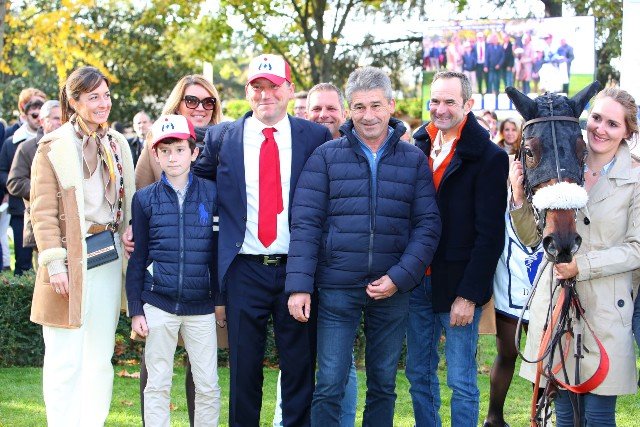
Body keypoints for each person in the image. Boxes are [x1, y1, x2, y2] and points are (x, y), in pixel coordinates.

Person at [287, 65, 441, 427]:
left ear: (391, 105)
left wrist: (400, 277)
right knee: (329, 384)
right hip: (336, 288)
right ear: (348, 110)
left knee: (383, 385)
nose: (368, 115)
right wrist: (299, 286)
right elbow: (306, 224)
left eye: (375, 106)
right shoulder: (326, 157)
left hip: (392, 289)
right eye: (359, 107)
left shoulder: (413, 160)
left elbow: (427, 225)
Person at [193, 53, 332, 426]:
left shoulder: (314, 136)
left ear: (290, 90)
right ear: (247, 91)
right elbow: (194, 186)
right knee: (243, 371)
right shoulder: (222, 137)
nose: (265, 94)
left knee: (299, 369)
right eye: (257, 87)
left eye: (274, 86)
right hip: (244, 269)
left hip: (296, 270)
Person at [511, 87, 640, 426]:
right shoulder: (561, 164)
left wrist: (582, 266)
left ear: (628, 132)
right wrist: (518, 197)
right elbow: (533, 239)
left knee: (597, 416)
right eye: (596, 118)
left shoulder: (635, 178)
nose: (600, 128)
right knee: (564, 415)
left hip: (605, 306)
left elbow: (637, 249)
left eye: (613, 124)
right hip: (557, 307)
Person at [30, 66, 135, 426]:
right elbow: (42, 211)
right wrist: (55, 264)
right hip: (69, 259)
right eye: (93, 97)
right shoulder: (53, 146)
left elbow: (128, 201)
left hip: (109, 254)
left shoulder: (118, 143)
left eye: (106, 95)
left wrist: (129, 231)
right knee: (64, 357)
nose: (103, 103)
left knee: (99, 356)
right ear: (74, 102)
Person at [408, 71, 509, 427]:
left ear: (468, 104)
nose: (440, 108)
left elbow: (490, 235)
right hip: (415, 282)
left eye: (450, 101)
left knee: (461, 380)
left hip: (458, 287)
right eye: (435, 100)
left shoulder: (490, 157)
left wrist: (469, 295)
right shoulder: (418, 146)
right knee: (418, 375)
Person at [126, 114, 221, 427]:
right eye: (165, 151)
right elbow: (139, 257)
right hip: (158, 303)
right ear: (155, 155)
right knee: (156, 383)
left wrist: (220, 299)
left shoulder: (213, 194)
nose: (172, 157)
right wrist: (136, 309)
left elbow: (218, 254)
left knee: (207, 385)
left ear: (194, 153)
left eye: (180, 150)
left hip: (201, 306)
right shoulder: (144, 199)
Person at [272, 81, 355, 427]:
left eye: (331, 108)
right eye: (316, 109)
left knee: (341, 363)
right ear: (305, 113)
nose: (323, 115)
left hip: (339, 274)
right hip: (298, 269)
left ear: (344, 112)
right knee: (295, 357)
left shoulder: (358, 150)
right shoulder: (294, 148)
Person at [135, 75, 222, 188]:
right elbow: (140, 190)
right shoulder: (156, 139)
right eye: (191, 101)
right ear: (177, 106)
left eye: (208, 102)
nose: (200, 108)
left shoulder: (226, 141)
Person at [7, 100, 62, 258]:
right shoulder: (27, 148)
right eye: (56, 118)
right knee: (45, 270)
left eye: (63, 118)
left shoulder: (73, 146)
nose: (61, 122)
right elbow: (14, 182)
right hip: (40, 223)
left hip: (69, 223)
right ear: (42, 121)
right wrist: (44, 189)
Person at [0, 97, 45, 275]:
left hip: (48, 210)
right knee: (23, 260)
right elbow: (4, 172)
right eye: (34, 115)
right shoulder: (12, 142)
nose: (37, 119)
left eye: (41, 115)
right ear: (25, 116)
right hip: (21, 208)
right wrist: (36, 187)